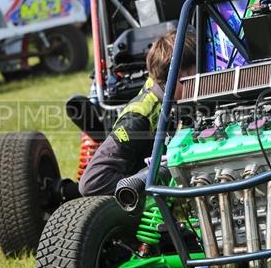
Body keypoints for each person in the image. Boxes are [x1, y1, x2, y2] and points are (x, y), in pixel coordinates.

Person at [79, 30, 196, 196]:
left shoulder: (174, 95)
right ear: (176, 76)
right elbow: (92, 182)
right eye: (197, 74)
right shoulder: (139, 117)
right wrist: (147, 180)